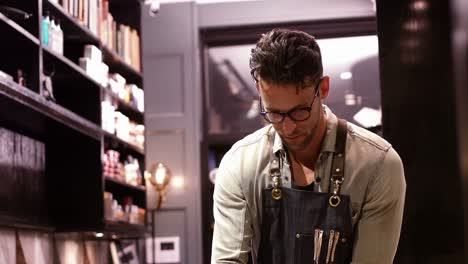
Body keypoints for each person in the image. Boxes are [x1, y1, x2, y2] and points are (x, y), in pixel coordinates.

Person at [211, 28, 406, 264]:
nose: (288, 127)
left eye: (299, 111)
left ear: (323, 89)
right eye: (274, 113)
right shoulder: (239, 164)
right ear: (260, 92)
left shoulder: (378, 165)